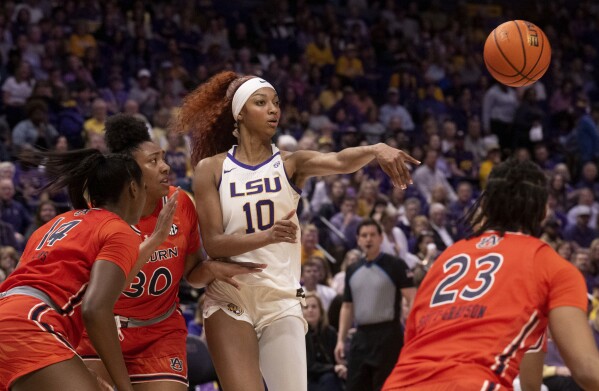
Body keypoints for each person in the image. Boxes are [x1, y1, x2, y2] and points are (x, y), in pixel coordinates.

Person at [177, 71, 419, 391]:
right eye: (261, 103)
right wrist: (269, 235)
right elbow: (215, 243)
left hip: (281, 299)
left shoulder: (291, 163)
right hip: (230, 297)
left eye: (276, 103)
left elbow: (339, 160)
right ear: (239, 113)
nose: (274, 109)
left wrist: (375, 149)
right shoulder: (212, 168)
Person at [76, 114, 266, 390]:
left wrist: (211, 269)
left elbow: (192, 274)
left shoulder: (181, 204)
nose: (165, 167)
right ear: (130, 174)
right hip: (105, 330)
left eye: (163, 157)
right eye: (153, 162)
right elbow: (96, 290)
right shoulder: (102, 210)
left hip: (160, 331)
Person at [383, 159, 599, 391]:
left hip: (400, 383)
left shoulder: (446, 258)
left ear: (486, 205)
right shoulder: (551, 266)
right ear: (544, 209)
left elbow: (415, 339)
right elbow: (587, 371)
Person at [0, 148, 177, 391]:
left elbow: (113, 283)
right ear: (133, 189)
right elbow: (95, 309)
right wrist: (124, 386)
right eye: (144, 189)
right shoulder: (118, 229)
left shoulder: (56, 222)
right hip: (31, 324)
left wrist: (156, 238)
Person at [334, 219, 416, 391]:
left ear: (381, 238)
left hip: (388, 335)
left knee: (386, 387)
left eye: (372, 235)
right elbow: (347, 307)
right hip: (361, 336)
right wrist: (340, 340)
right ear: (358, 240)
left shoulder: (395, 265)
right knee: (354, 385)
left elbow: (412, 298)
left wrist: (413, 330)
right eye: (364, 235)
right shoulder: (352, 269)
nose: (368, 239)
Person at [303, 292, 346, 391]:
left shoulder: (330, 332)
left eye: (314, 307)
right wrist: (333, 368)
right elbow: (309, 365)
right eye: (306, 307)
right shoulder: (300, 335)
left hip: (331, 377)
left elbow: (338, 359)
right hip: (309, 378)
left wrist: (342, 367)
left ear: (321, 311)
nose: (310, 310)